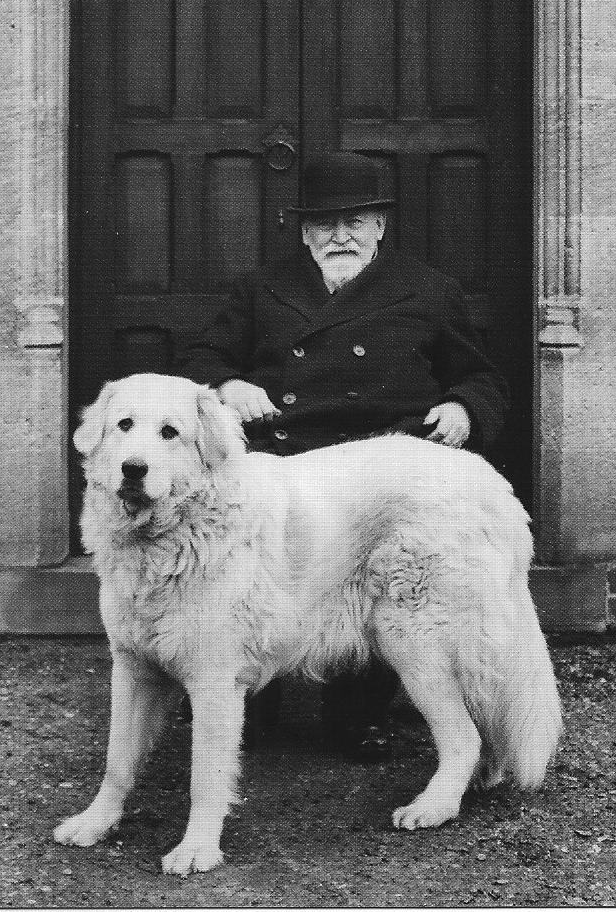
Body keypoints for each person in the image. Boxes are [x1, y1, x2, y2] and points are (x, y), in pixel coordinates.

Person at [175, 151, 509, 760]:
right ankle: (244, 702)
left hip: (377, 467)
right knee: (253, 584)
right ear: (305, 233)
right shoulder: (261, 289)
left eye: (355, 221)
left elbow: (483, 379)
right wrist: (227, 385)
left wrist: (463, 409)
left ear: (380, 227)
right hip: (285, 459)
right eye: (325, 225)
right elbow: (200, 359)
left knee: (377, 586)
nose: (341, 236)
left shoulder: (428, 291)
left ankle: (354, 717)